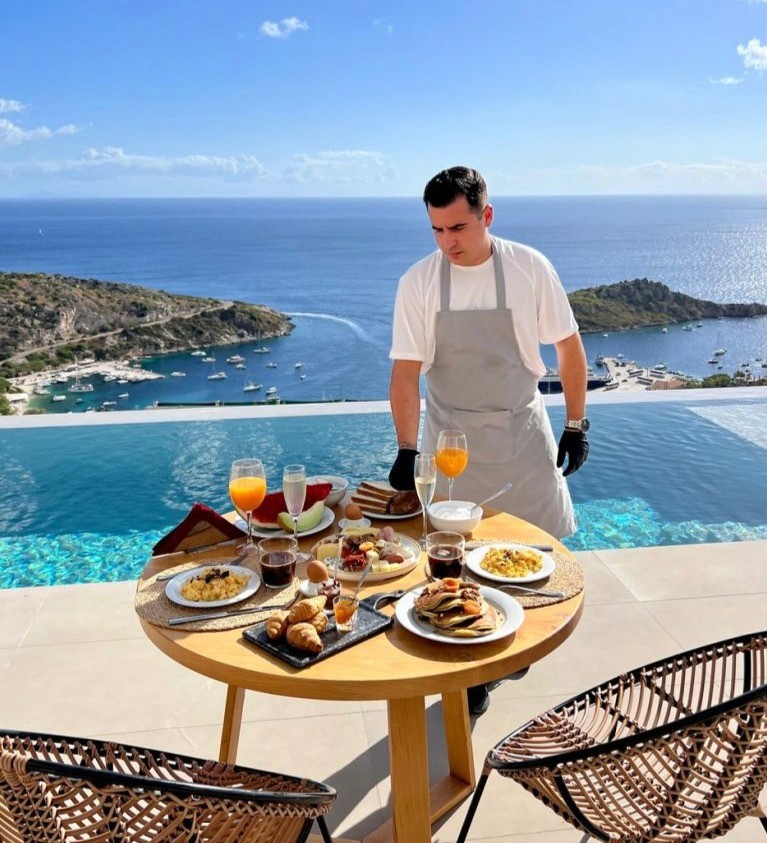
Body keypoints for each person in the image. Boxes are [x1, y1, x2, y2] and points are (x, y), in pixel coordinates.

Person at [387, 166, 590, 715]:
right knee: (453, 561)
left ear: (487, 215)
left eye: (458, 227)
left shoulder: (529, 268)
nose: (447, 242)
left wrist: (577, 424)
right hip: (451, 444)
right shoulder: (418, 282)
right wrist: (407, 448)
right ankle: (471, 672)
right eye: (436, 230)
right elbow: (405, 373)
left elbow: (568, 347)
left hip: (520, 434)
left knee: (533, 559)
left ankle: (507, 652)